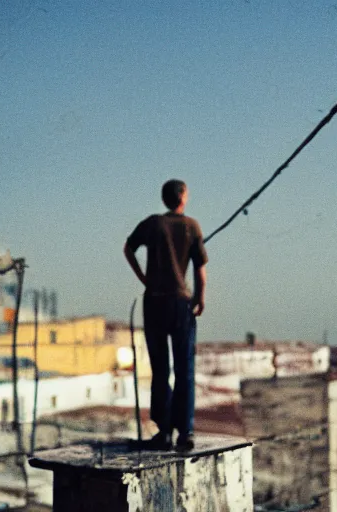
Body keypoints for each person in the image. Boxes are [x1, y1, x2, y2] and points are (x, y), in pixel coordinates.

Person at [124, 179, 208, 451]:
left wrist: (145, 279)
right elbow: (200, 272)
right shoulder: (192, 227)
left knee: (161, 370)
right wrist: (199, 298)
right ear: (183, 196)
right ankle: (186, 433)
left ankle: (164, 433)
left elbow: (128, 248)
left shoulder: (153, 223)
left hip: (154, 303)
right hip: (180, 304)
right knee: (185, 369)